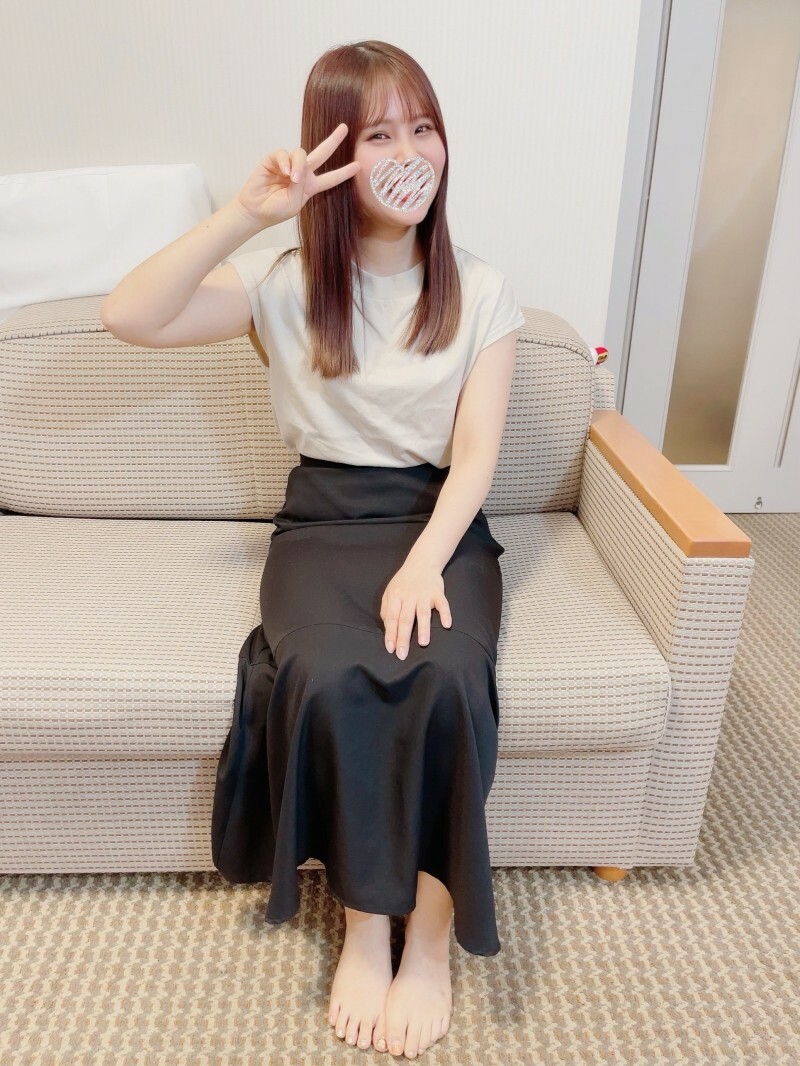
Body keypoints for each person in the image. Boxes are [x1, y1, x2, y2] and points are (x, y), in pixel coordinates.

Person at [101, 39, 524, 1061]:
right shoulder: (283, 285)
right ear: (334, 152)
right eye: (380, 134)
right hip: (322, 523)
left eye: (423, 127)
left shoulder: (482, 289)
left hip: (437, 523)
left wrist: (425, 561)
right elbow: (128, 316)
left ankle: (429, 932)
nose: (410, 153)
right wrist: (247, 215)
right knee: (329, 675)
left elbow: (475, 455)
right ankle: (367, 926)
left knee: (447, 675)